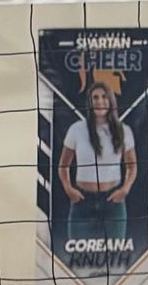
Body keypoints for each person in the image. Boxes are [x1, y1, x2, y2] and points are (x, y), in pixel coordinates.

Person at [58, 82, 136, 250]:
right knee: (79, 256)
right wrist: (68, 189)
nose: (100, 101)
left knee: (114, 256)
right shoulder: (77, 129)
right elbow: (63, 165)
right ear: (90, 102)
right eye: (95, 97)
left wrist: (125, 189)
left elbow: (132, 166)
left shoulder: (124, 130)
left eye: (104, 97)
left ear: (111, 100)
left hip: (113, 202)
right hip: (82, 202)